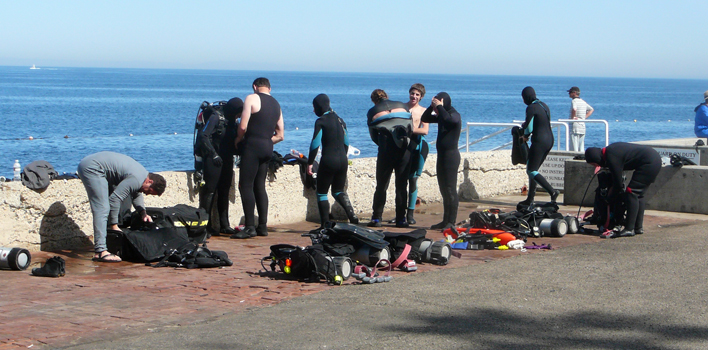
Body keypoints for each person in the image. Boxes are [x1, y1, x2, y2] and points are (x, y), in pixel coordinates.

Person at [77, 151, 166, 262]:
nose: (146, 193)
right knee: (102, 208)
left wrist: (143, 212)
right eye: (149, 191)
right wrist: (114, 226)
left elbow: (136, 193)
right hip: (93, 168)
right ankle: (100, 251)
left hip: (97, 167)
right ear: (149, 181)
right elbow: (114, 199)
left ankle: (105, 246)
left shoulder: (142, 175)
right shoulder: (137, 178)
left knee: (105, 207)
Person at [231, 78, 285, 239]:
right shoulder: (277, 104)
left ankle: (249, 227)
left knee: (245, 185)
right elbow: (280, 135)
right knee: (260, 186)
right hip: (268, 148)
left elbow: (242, 126)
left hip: (252, 147)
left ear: (255, 86)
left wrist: (238, 140)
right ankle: (262, 226)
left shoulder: (251, 98)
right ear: (270, 88)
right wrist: (266, 141)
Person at [585, 142, 661, 238]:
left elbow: (618, 184)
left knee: (631, 192)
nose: (596, 166)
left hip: (649, 163)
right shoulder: (611, 150)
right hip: (654, 159)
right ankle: (637, 227)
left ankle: (629, 229)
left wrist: (609, 199)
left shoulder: (611, 157)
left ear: (596, 158)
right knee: (639, 195)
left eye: (594, 164)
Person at [307, 94, 359, 227]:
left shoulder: (321, 121)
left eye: (314, 107)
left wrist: (310, 163)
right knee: (338, 191)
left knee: (322, 192)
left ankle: (325, 225)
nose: (314, 111)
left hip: (329, 160)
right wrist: (342, 155)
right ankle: (352, 215)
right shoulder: (340, 120)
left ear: (319, 106)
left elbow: (315, 144)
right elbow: (347, 143)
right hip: (343, 160)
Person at [195, 98, 242, 236]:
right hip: (213, 159)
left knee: (224, 191)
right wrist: (213, 154)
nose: (239, 116)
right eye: (238, 113)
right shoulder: (216, 117)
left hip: (227, 159)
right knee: (210, 191)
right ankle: (205, 226)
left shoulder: (233, 120)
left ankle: (224, 224)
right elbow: (203, 136)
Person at [366, 89, 412, 228]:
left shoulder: (373, 111)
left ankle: (377, 218)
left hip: (386, 150)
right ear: (387, 96)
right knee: (402, 185)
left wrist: (383, 143)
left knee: (382, 185)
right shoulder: (403, 106)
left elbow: (373, 135)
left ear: (374, 100)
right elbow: (410, 128)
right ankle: (401, 219)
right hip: (404, 150)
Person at [421, 92, 461, 230]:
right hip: (442, 156)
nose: (437, 110)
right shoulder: (442, 116)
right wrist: (432, 106)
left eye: (439, 105)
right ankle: (445, 221)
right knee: (444, 189)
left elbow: (450, 121)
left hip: (451, 157)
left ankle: (452, 221)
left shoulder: (454, 115)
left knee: (450, 190)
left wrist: (440, 107)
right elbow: (424, 118)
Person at [518, 86, 559, 208]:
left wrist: (524, 136)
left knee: (531, 170)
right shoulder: (543, 105)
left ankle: (552, 191)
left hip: (539, 141)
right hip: (550, 140)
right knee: (534, 170)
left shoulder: (531, 108)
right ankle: (530, 199)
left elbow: (529, 128)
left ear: (525, 97)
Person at [405, 83, 429, 225]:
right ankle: (400, 212)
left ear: (421, 97)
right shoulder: (401, 107)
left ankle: (410, 213)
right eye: (412, 93)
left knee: (413, 179)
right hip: (403, 146)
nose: (414, 96)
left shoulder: (423, 111)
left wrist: (408, 129)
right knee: (401, 180)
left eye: (417, 94)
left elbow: (425, 130)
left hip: (418, 146)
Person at [567, 86, 594, 152]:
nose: (569, 94)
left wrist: (573, 117)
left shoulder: (574, 101)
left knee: (574, 145)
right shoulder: (583, 101)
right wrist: (584, 118)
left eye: (570, 92)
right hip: (582, 125)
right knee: (581, 145)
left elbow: (574, 109)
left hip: (575, 125)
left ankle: (574, 157)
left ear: (574, 93)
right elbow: (591, 109)